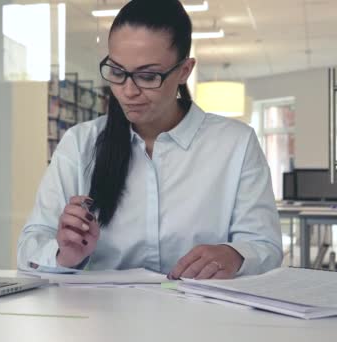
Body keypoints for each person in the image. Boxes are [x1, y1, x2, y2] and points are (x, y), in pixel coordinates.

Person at [16, 0, 282, 280]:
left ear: (184, 71)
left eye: (148, 76)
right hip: (102, 318)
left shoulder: (235, 144)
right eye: (117, 72)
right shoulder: (80, 143)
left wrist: (235, 255)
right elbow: (29, 248)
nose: (128, 91)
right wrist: (64, 254)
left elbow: (265, 246)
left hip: (203, 317)